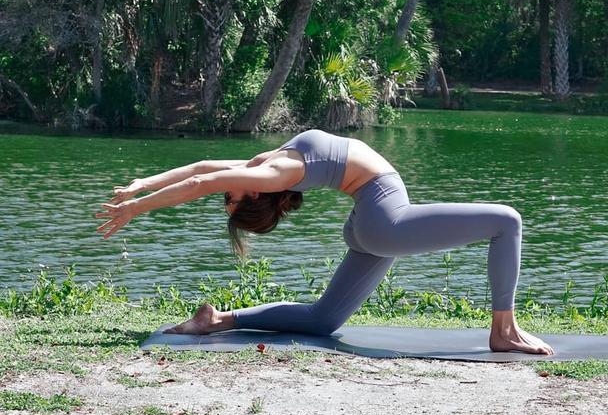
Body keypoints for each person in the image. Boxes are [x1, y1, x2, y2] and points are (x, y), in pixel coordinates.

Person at [96, 128, 554, 355]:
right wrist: (137, 207)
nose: (224, 195)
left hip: (372, 224)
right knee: (507, 221)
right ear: (256, 193)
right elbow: (205, 180)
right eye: (230, 201)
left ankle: (218, 320)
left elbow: (200, 170)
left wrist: (141, 185)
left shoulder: (268, 164)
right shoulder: (273, 171)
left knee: (323, 321)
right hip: (382, 220)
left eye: (228, 200)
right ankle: (503, 332)